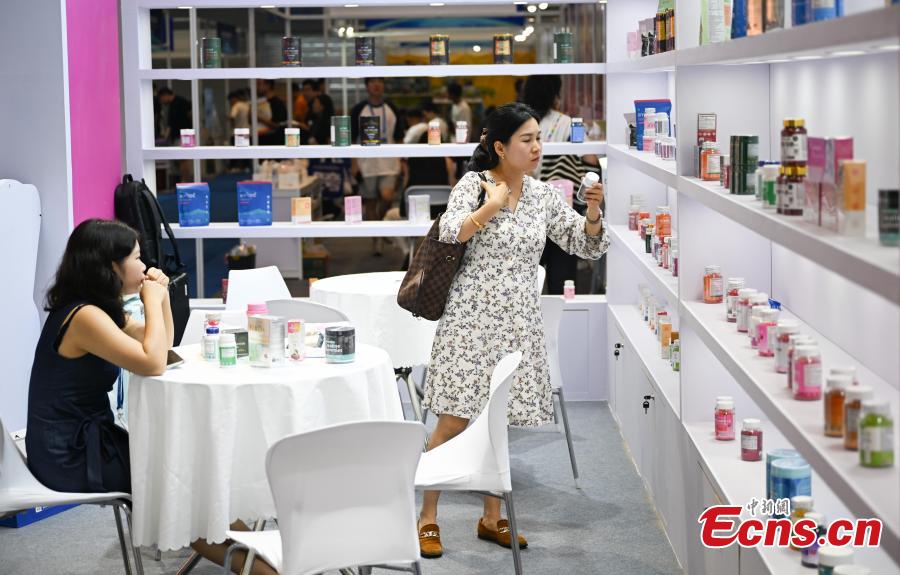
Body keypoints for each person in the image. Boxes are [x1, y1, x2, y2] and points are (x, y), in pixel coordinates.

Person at [25, 219, 276, 575]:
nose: (144, 266)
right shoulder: (84, 317)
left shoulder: (95, 309)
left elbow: (161, 344)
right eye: (137, 258)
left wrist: (161, 300)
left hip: (86, 441)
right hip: (70, 454)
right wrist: (152, 300)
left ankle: (263, 559)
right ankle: (266, 569)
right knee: (180, 490)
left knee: (187, 480)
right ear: (112, 266)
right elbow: (154, 362)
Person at [417, 103, 609, 558]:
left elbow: (583, 244)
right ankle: (427, 516)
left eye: (538, 138)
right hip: (469, 323)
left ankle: (491, 517)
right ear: (500, 147)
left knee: (497, 421)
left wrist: (593, 212)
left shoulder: (543, 196)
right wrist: (491, 206)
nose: (538, 147)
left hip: (517, 325)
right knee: (452, 420)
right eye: (527, 139)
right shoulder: (474, 185)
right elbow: (449, 233)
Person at [522, 74, 603, 294]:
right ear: (555, 95)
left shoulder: (520, 122)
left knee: (527, 280)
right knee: (562, 278)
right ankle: (563, 310)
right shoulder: (567, 123)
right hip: (561, 209)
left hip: (527, 209)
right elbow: (591, 160)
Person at [350, 77, 404, 236]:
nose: (376, 85)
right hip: (366, 163)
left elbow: (399, 137)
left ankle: (382, 226)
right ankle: (376, 238)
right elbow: (352, 139)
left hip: (389, 161)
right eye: (372, 82)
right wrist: (354, 163)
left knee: (387, 197)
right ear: (367, 86)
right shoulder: (358, 109)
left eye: (379, 81)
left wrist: (402, 160)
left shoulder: (392, 108)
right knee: (370, 202)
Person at [256, 78, 287, 146]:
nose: (256, 87)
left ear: (268, 85)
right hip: (262, 141)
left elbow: (279, 125)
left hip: (273, 142)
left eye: (259, 84)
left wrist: (259, 118)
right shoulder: (260, 102)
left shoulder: (277, 103)